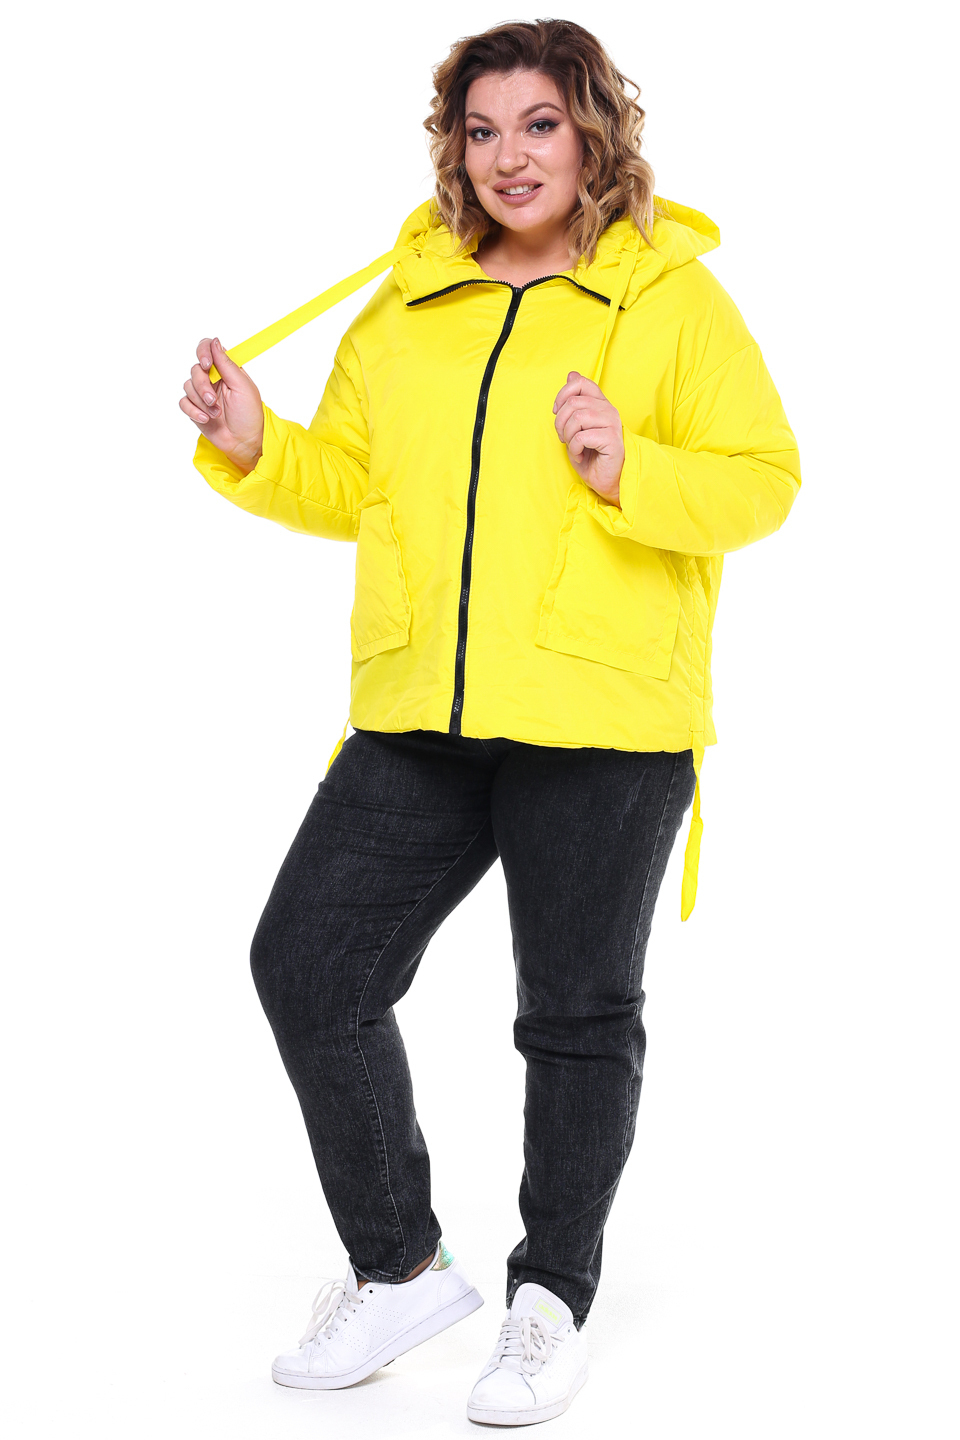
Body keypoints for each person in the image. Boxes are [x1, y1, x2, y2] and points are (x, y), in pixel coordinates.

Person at [180, 17, 800, 1428]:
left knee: (573, 1016)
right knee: (309, 964)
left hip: (601, 713)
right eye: (480, 129)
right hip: (423, 713)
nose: (509, 156)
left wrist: (633, 467)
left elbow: (765, 479)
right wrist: (256, 444)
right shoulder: (408, 302)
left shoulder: (670, 299)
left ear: (593, 131)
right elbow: (356, 487)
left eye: (538, 124)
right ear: (452, 147)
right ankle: (399, 1268)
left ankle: (551, 1298)